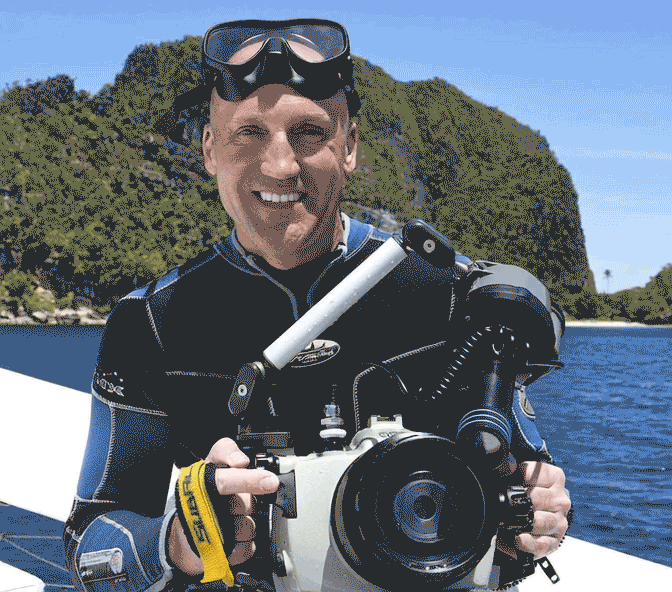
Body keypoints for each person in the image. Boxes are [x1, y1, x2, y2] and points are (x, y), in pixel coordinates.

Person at [63, 18, 570, 592]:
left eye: (308, 132)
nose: (280, 166)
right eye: (248, 133)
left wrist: (538, 517)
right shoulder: (152, 323)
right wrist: (179, 541)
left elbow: (535, 485)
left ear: (349, 147)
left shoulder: (450, 294)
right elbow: (88, 544)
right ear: (210, 149)